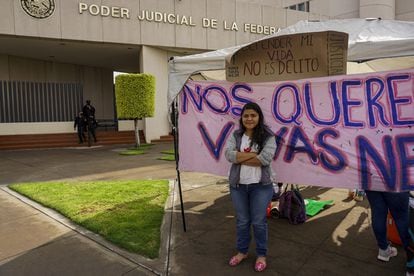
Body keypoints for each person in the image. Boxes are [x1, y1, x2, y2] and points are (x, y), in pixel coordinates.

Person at [224, 102, 276, 272]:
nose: (249, 118)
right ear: (242, 118)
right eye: (246, 115)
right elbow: (228, 155)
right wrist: (254, 155)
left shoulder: (268, 136)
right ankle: (242, 252)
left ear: (259, 117)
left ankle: (261, 255)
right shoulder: (236, 135)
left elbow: (265, 159)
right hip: (238, 186)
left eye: (253, 115)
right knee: (242, 222)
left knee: (259, 222)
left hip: (261, 187)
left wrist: (241, 156)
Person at [364, 190, 414, 275]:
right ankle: (412, 265)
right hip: (397, 181)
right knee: (402, 218)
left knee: (377, 212)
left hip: (371, 179)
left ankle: (383, 250)